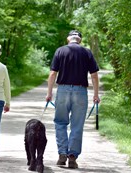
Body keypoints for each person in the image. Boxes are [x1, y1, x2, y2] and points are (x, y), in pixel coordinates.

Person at [45, 30, 100, 169]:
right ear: (79, 40)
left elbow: (52, 74)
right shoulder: (87, 52)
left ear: (68, 38)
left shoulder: (60, 51)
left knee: (60, 122)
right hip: (80, 91)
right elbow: (94, 76)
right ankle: (72, 156)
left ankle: (62, 153)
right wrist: (96, 94)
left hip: (62, 90)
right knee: (77, 125)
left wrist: (49, 93)